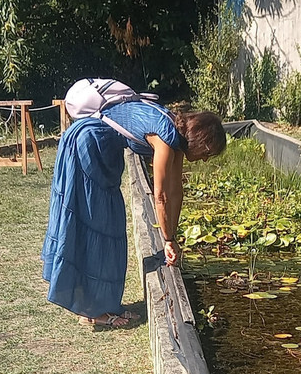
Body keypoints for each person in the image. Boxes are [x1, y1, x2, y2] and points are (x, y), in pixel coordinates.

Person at [41, 92, 226, 327]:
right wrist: (167, 239)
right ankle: (93, 312)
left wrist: (172, 238)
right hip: (89, 143)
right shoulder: (166, 139)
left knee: (109, 225)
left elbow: (176, 192)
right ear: (200, 141)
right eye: (207, 153)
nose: (205, 160)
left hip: (100, 146)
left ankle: (99, 306)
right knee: (98, 226)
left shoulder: (175, 135)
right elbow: (160, 196)